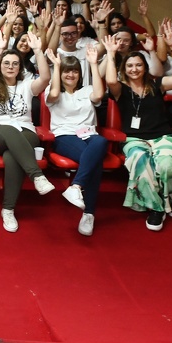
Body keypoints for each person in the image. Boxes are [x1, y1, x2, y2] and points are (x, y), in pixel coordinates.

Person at [102, 20, 172, 231]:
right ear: (125, 68)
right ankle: (156, 207)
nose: (134, 69)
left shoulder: (157, 85)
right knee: (141, 163)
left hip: (162, 136)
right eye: (130, 66)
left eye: (139, 65)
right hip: (134, 139)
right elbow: (110, 81)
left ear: (145, 68)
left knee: (167, 166)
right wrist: (111, 53)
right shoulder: (120, 89)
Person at [0, 30, 52, 232]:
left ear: (20, 67)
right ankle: (37, 175)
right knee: (10, 131)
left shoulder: (27, 85)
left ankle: (8, 209)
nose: (11, 67)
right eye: (6, 63)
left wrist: (39, 51)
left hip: (25, 133)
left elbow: (46, 79)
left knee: (12, 156)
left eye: (15, 63)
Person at [45, 46, 108, 236]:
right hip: (65, 136)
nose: (70, 75)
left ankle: (76, 187)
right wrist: (56, 66)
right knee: (95, 162)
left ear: (80, 75)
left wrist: (93, 64)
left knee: (101, 142)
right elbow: (54, 94)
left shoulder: (87, 90)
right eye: (67, 71)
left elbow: (98, 94)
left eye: (74, 71)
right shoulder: (54, 91)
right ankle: (89, 213)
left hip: (89, 136)